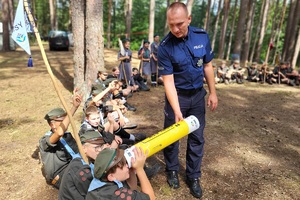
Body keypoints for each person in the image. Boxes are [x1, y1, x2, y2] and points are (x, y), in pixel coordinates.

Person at [157, 2, 218, 199]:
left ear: (189, 19)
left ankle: (193, 176)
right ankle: (172, 170)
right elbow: (168, 82)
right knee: (172, 135)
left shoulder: (201, 36)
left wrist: (213, 92)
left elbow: (207, 66)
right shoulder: (165, 47)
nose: (175, 29)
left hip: (198, 96)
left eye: (180, 24)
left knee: (197, 137)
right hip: (178, 96)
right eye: (171, 24)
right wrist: (176, 110)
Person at [39, 89, 82, 189]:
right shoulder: (44, 140)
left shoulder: (67, 136)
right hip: (60, 175)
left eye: (66, 119)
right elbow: (59, 133)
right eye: (62, 121)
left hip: (75, 166)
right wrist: (74, 108)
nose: (66, 122)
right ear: (52, 124)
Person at [58, 130, 118, 200]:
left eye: (101, 146)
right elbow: (95, 194)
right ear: (84, 148)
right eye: (96, 148)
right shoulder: (81, 170)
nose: (100, 150)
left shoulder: (87, 160)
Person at [86, 147, 156, 200]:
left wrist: (131, 170)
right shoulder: (115, 195)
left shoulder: (101, 181)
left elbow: (132, 189)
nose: (126, 166)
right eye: (123, 165)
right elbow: (150, 198)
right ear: (111, 176)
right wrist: (140, 169)